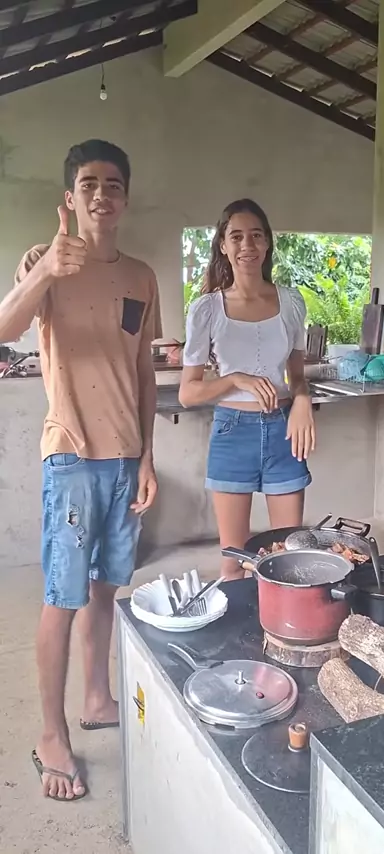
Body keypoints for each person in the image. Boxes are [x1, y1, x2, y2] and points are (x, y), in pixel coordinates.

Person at [0, 140, 161, 801]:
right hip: (70, 455)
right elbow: (3, 329)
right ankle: (50, 734)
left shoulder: (142, 277)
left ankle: (97, 697)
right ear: (70, 198)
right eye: (89, 183)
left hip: (125, 459)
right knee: (63, 597)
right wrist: (42, 271)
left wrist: (147, 455)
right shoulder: (45, 262)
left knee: (104, 590)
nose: (102, 193)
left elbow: (144, 371)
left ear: (125, 198)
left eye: (113, 184)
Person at [179, 199, 315, 579]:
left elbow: (297, 376)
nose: (247, 245)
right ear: (223, 245)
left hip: (284, 432)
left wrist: (302, 400)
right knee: (234, 563)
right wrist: (235, 379)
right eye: (236, 237)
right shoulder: (206, 309)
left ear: (267, 243)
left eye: (256, 235)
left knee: (287, 559)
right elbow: (188, 393)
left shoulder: (291, 302)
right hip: (232, 432)